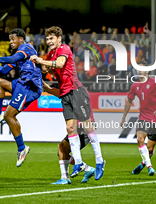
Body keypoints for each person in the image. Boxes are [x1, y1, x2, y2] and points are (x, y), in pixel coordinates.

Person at [30, 26, 105, 183]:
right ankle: (78, 162)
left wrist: (41, 61)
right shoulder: (51, 54)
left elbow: (60, 64)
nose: (49, 41)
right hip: (65, 94)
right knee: (70, 128)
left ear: (59, 39)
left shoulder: (64, 49)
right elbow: (47, 68)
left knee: (88, 126)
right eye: (48, 38)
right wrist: (36, 66)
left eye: (52, 38)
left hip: (76, 90)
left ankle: (99, 160)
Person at [0, 28, 42, 167]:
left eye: (13, 39)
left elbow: (12, 59)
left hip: (29, 85)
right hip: (21, 83)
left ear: (21, 39)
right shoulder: (18, 55)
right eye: (10, 39)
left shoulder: (27, 47)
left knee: (9, 116)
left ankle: (22, 148)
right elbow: (3, 70)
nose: (11, 41)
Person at [120, 60, 156, 176]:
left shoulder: (155, 83)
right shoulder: (135, 85)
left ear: (147, 70)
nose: (139, 70)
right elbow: (129, 101)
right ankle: (150, 167)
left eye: (141, 68)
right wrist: (123, 118)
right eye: (137, 68)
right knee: (140, 138)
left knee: (150, 149)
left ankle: (143, 163)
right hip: (143, 117)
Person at [42, 81, 96, 184]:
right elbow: (50, 90)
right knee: (62, 149)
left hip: (83, 127)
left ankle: (67, 177)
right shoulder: (69, 92)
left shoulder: (77, 93)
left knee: (62, 148)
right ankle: (86, 169)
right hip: (80, 127)